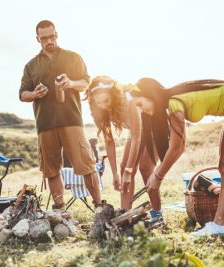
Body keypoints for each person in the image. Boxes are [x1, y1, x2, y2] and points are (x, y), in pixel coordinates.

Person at [129, 78, 224, 236]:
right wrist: (158, 174)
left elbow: (177, 147)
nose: (141, 110)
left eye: (140, 104)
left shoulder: (173, 103)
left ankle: (219, 225)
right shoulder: (173, 103)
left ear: (151, 96)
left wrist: (158, 176)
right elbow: (178, 146)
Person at [19, 20, 102, 210]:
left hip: (71, 120)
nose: (49, 41)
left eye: (52, 36)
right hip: (45, 123)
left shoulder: (73, 57)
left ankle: (99, 206)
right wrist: (34, 94)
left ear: (56, 35)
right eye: (44, 38)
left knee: (86, 166)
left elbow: (86, 83)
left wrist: (71, 83)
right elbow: (23, 94)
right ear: (38, 39)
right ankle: (61, 210)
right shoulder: (31, 65)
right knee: (51, 170)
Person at [86, 76, 163, 223]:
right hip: (136, 133)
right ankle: (125, 216)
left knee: (145, 168)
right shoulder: (101, 110)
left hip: (154, 127)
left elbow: (136, 138)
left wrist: (129, 170)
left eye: (105, 101)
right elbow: (109, 141)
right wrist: (115, 173)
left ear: (113, 95)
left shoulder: (128, 99)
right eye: (98, 102)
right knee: (123, 169)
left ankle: (158, 214)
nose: (102, 105)